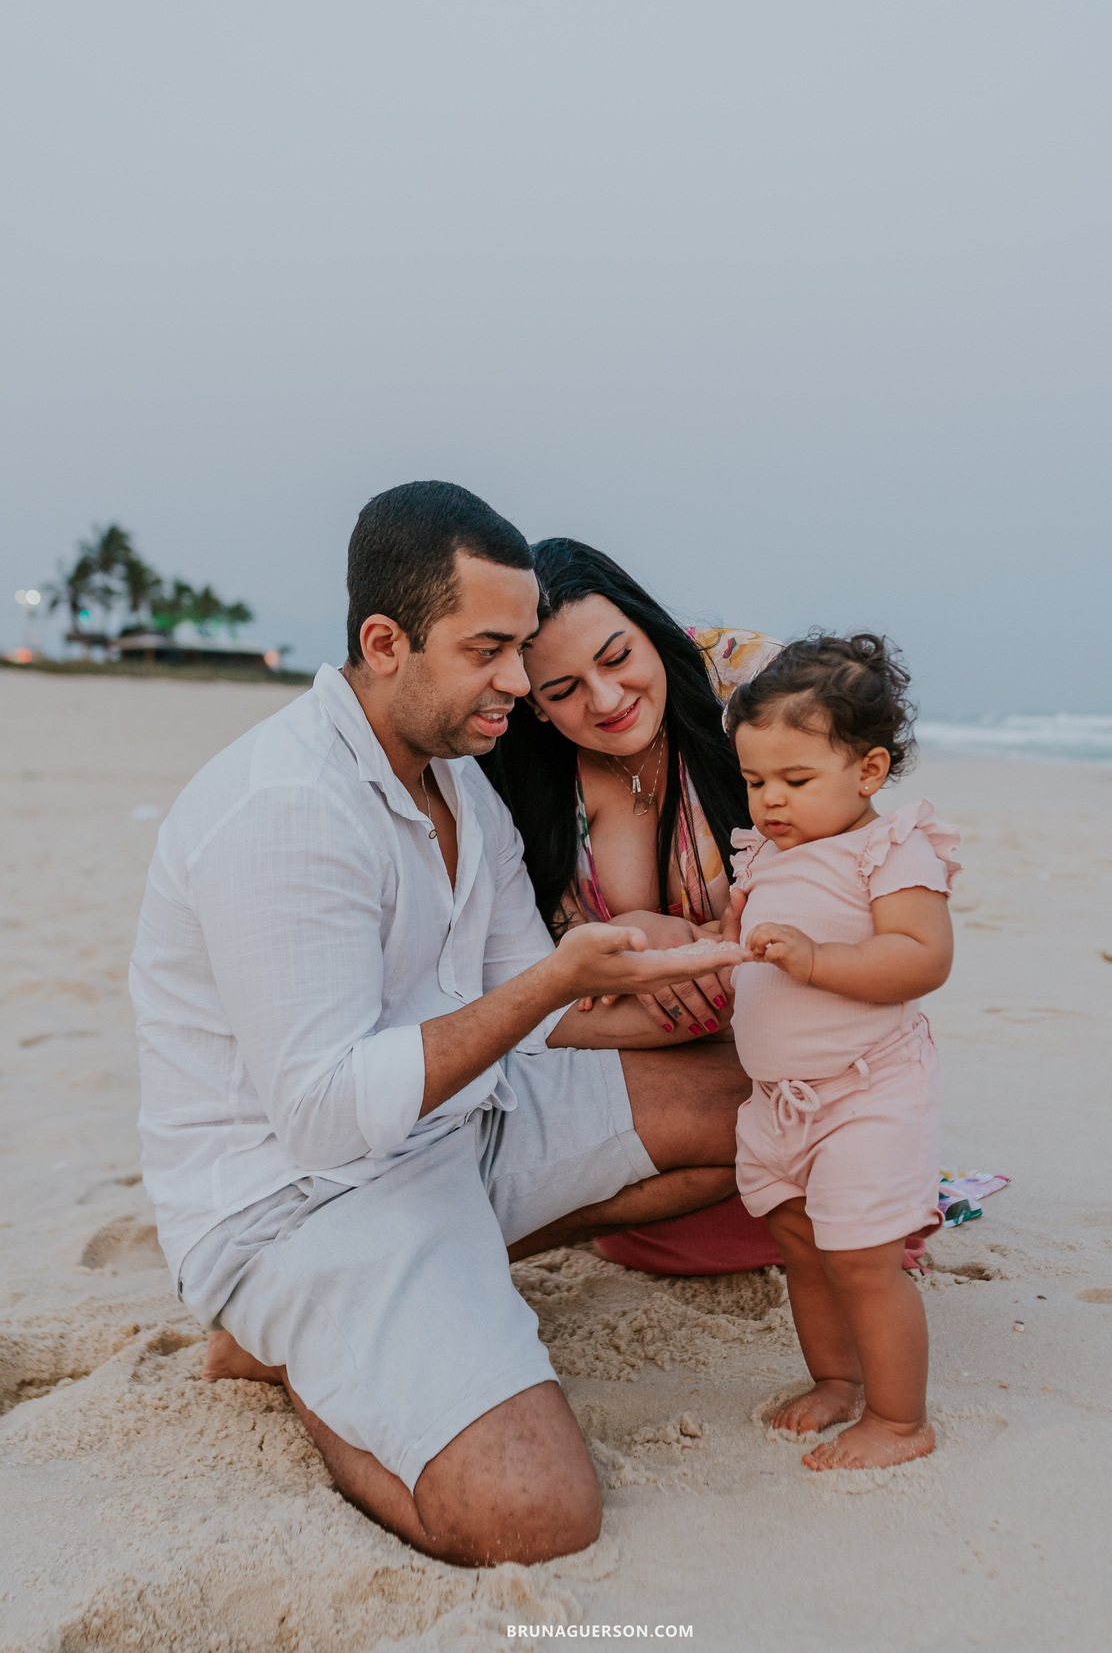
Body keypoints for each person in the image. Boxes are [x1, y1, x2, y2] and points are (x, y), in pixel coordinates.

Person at [130, 481, 752, 1568]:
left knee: (764, 1097)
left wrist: (706, 976)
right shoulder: (287, 806)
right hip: (302, 1199)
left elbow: (526, 995)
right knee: (535, 1514)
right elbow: (326, 1114)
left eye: (524, 650)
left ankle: (423, 1304)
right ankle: (304, 1351)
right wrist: (558, 981)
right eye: (491, 649)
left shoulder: (457, 783)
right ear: (385, 641)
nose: (519, 680)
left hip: (461, 1126)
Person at [481, 537, 785, 1275]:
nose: (607, 700)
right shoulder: (510, 780)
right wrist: (634, 936)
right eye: (563, 691)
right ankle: (456, 1258)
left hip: (775, 1032)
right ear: (536, 708)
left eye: (617, 658)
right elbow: (518, 987)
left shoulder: (750, 689)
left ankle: (446, 1260)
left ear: (652, 629)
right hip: (636, 1074)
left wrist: (687, 947)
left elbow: (849, 879)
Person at [725, 633, 960, 1470]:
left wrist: (817, 960)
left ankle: (899, 1420)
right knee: (799, 1245)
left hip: (869, 1092)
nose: (770, 802)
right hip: (781, 1102)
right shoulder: (765, 856)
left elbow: (921, 956)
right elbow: (744, 944)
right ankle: (835, 1380)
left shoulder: (888, 849)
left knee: (863, 1257)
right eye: (755, 782)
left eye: (795, 781)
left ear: (866, 772)